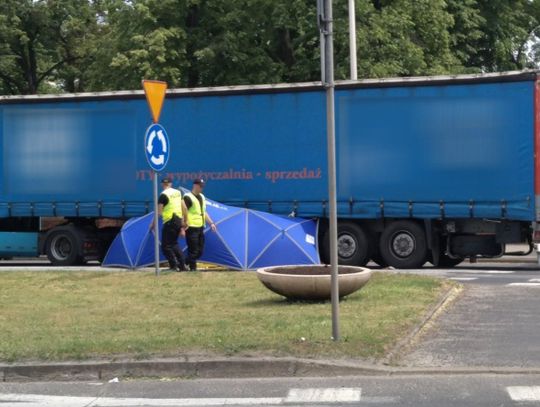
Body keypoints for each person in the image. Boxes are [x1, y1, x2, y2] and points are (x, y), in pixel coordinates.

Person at [183, 178, 217, 271]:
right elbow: (183, 211)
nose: (201, 188)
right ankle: (193, 269)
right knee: (193, 249)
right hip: (191, 227)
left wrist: (211, 223)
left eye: (202, 186)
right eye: (200, 186)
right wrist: (183, 226)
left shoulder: (202, 196)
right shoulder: (188, 197)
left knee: (200, 251)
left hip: (200, 227)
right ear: (195, 185)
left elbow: (204, 212)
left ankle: (183, 263)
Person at [156, 177, 187, 272]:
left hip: (170, 221)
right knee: (174, 244)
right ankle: (182, 266)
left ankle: (173, 266)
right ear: (171, 184)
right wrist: (185, 222)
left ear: (162, 184)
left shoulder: (163, 195)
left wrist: (153, 224)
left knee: (166, 246)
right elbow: (184, 208)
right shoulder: (178, 193)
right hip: (178, 220)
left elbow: (159, 212)